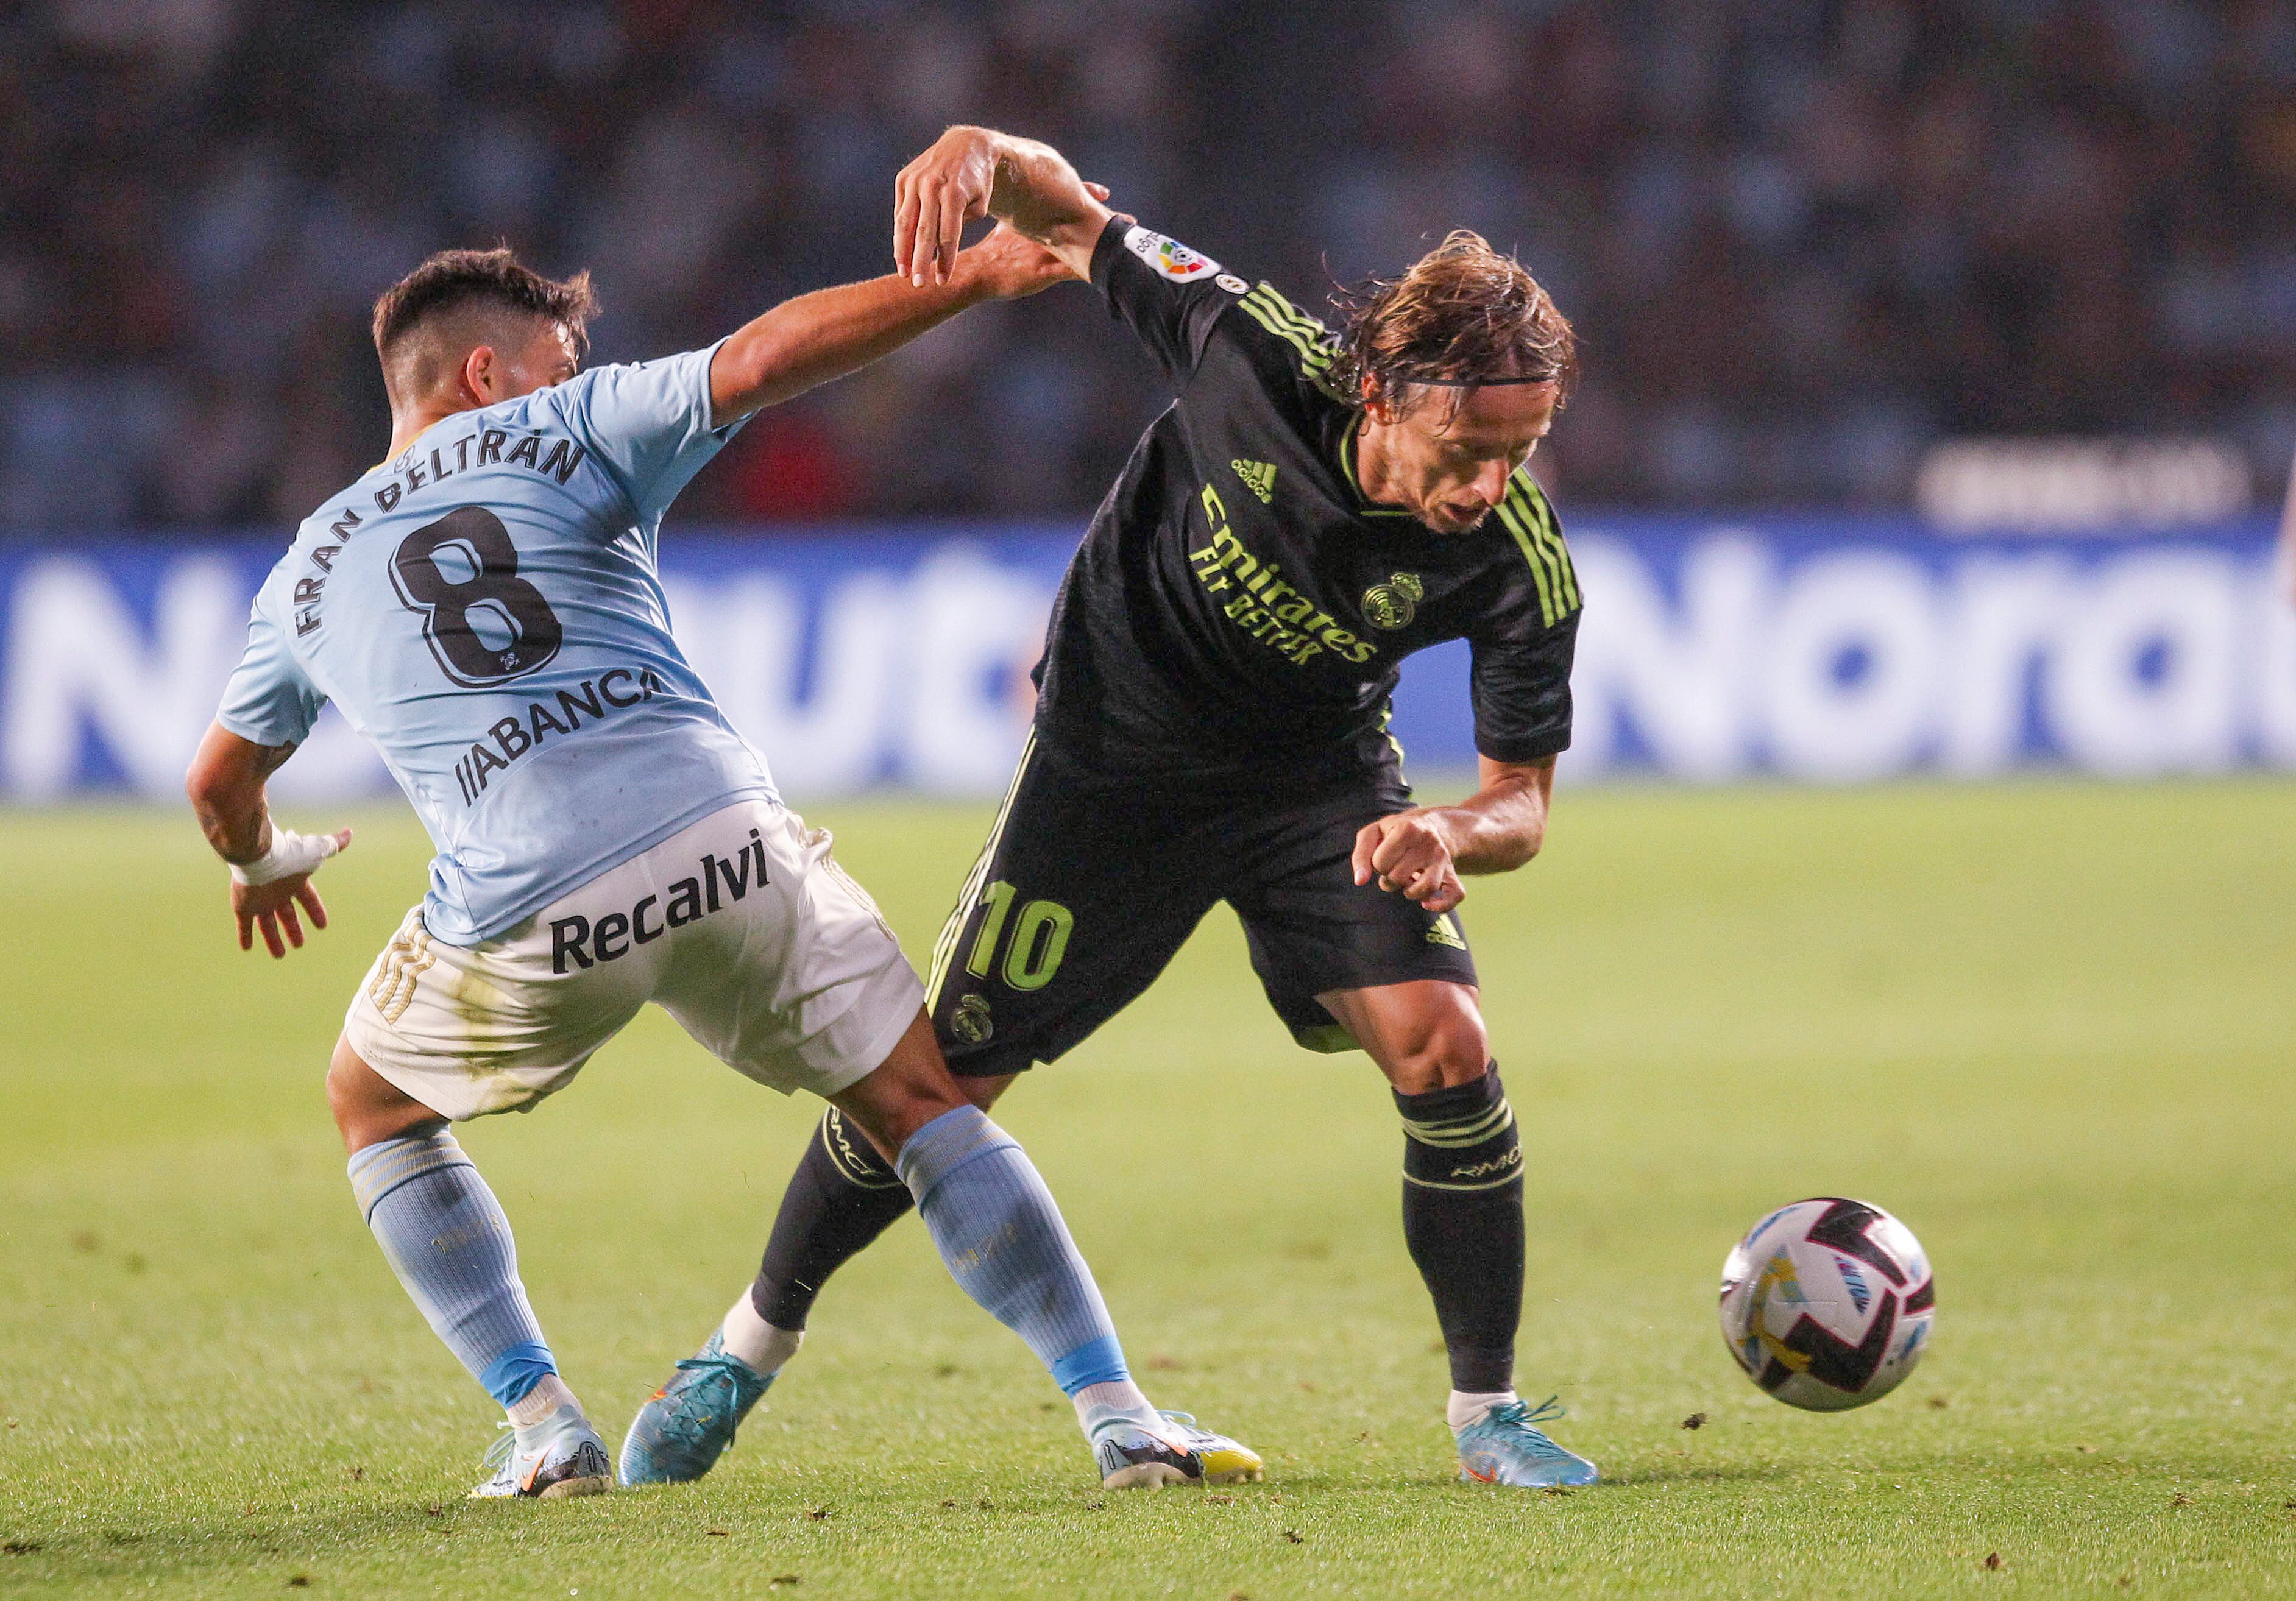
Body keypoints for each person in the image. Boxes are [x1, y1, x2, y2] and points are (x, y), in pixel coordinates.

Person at [183, 230, 1257, 1499]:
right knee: (922, 1105)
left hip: (533, 903)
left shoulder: (306, 567)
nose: (577, 370)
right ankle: (1122, 1419)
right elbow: (759, 361)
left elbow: (219, 783)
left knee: (372, 1103)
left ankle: (545, 1432)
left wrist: (264, 863)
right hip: (724, 842)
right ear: (484, 373)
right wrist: (963, 282)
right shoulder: (569, 424)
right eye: (561, 357)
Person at [686, 126, 1598, 1491]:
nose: (1488, 489)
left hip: (1317, 788)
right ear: (1382, 391)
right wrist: (979, 150)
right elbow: (1070, 217)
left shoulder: (1519, 564)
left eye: (1519, 455)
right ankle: (740, 1353)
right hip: (1113, 763)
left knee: (1446, 1047)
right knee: (936, 1083)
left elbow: (1521, 804)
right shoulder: (1251, 353)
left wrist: (1448, 832)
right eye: (1469, 449)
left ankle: (1489, 1419)